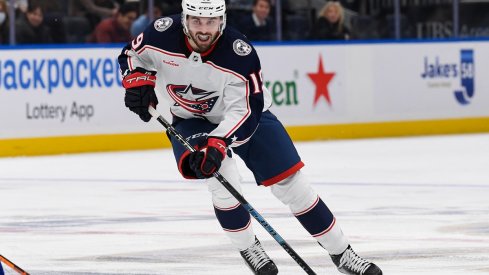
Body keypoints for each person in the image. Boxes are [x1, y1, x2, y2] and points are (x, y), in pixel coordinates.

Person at [118, 0, 382, 274]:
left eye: (211, 21)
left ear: (222, 19)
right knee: (222, 178)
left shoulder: (239, 53)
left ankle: (343, 254)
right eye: (197, 21)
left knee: (293, 185)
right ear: (185, 19)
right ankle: (249, 248)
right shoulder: (161, 33)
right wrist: (137, 81)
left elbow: (244, 109)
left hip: (245, 117)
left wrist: (218, 142)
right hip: (189, 119)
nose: (204, 29)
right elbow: (130, 55)